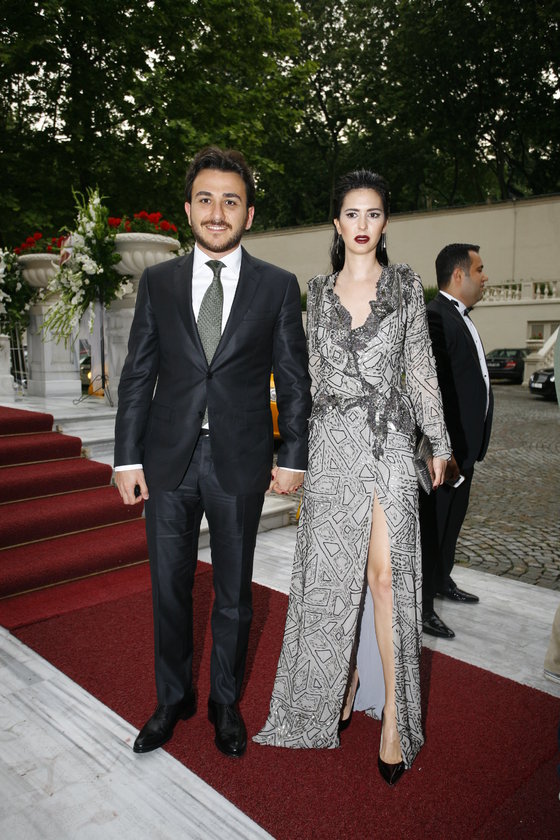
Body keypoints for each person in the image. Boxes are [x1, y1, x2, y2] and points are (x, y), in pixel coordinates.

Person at [113, 146, 311, 758]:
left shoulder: (278, 286)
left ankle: (225, 701)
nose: (217, 212)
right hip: (167, 462)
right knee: (169, 590)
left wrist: (293, 455)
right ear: (188, 209)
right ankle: (171, 699)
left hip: (240, 461)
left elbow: (294, 379)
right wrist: (126, 458)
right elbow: (137, 373)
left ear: (248, 214)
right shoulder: (158, 282)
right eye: (205, 199)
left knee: (233, 594)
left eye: (230, 201)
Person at [254, 170, 451, 784]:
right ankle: (338, 685)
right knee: (333, 580)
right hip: (333, 445)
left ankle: (394, 715)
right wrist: (290, 452)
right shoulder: (315, 293)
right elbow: (304, 380)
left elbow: (420, 366)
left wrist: (438, 440)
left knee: (386, 576)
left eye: (373, 213)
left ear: (385, 222)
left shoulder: (405, 286)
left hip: (390, 442)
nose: (362, 225)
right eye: (351, 214)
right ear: (336, 223)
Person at [419, 243, 493, 640]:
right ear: (459, 274)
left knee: (451, 526)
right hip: (444, 453)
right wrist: (442, 449)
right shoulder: (434, 316)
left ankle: (441, 580)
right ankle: (421, 606)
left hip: (467, 449)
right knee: (432, 528)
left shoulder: (461, 317)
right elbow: (435, 389)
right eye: (479, 269)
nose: (485, 277)